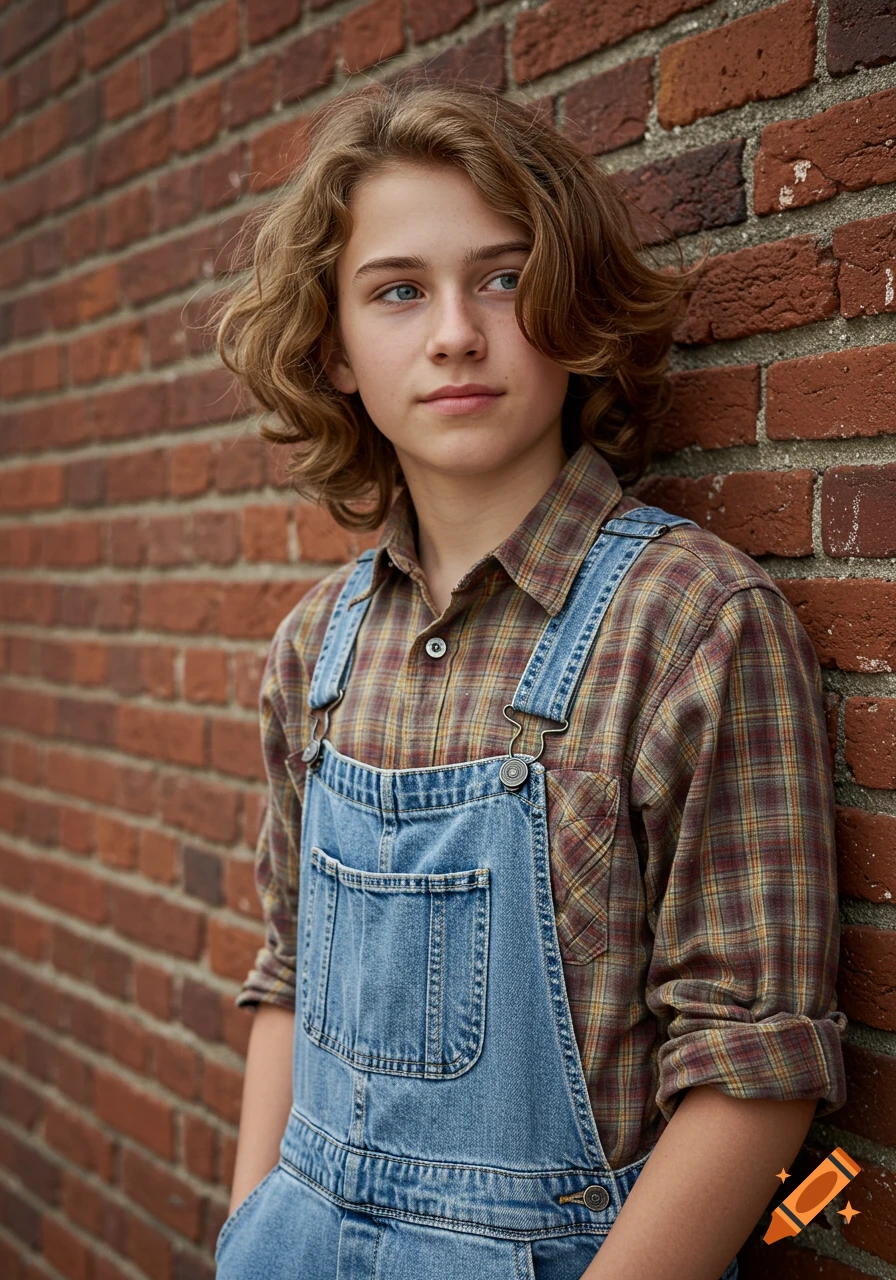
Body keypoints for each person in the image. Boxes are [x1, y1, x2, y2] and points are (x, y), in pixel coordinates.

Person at [210, 77, 847, 1280]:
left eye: (501, 278)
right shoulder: (313, 648)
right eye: (397, 290)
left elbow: (753, 1069)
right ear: (335, 351)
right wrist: (250, 1229)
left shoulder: (690, 623)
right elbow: (287, 970)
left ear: (572, 310)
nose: (455, 331)